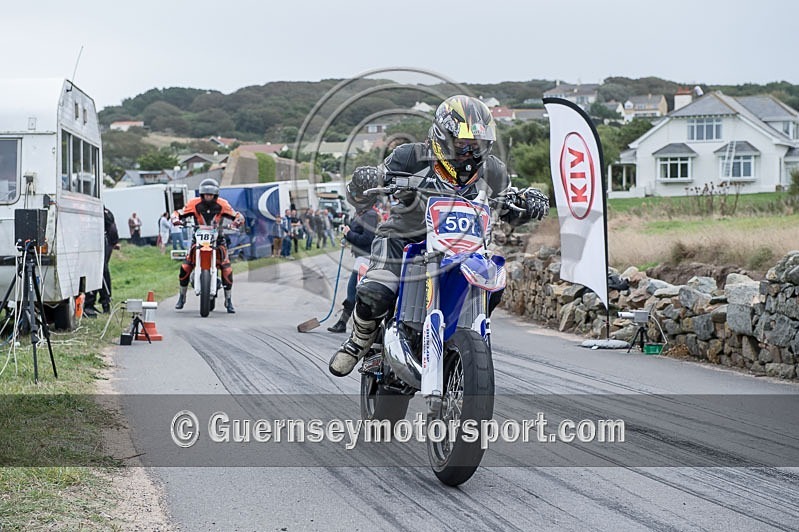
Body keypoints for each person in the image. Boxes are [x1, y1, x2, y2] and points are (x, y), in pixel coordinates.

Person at [329, 95, 549, 376]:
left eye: (477, 145)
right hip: (403, 238)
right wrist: (364, 181)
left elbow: (508, 209)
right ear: (443, 137)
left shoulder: (493, 170)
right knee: (377, 292)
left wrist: (527, 204)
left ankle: (466, 340)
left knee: (493, 283)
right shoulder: (409, 156)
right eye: (463, 144)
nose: (470, 152)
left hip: (465, 247)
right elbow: (364, 190)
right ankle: (359, 342)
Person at [171, 178, 244, 313]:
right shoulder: (193, 204)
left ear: (215, 195)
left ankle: (228, 300)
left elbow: (237, 215)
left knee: (227, 269)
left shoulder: (223, 205)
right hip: (197, 240)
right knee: (185, 267)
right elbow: (178, 212)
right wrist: (175, 219)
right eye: (206, 194)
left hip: (218, 239)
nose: (208, 197)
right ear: (202, 194)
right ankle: (182, 296)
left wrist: (237, 221)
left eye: (211, 195)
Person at [327, 199, 381, 333]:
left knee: (353, 290)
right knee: (355, 291)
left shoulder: (369, 214)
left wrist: (349, 234)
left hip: (366, 258)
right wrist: (348, 237)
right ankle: (345, 323)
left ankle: (345, 323)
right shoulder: (362, 213)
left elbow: (367, 239)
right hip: (362, 257)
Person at [85, 206, 120, 316]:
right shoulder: (105, 212)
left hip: (102, 244)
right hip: (104, 244)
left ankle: (99, 303)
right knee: (100, 273)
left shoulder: (102, 213)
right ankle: (95, 302)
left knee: (100, 273)